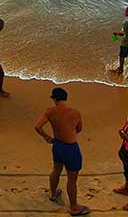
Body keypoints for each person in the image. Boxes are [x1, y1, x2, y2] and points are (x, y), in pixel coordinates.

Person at [34, 87, 90, 216]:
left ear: (54, 99)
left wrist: (47, 137)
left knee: (56, 170)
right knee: (72, 179)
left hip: (57, 145)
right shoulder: (75, 112)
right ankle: (74, 207)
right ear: (66, 98)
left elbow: (37, 127)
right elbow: (79, 129)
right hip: (70, 147)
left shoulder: (50, 111)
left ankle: (53, 193)